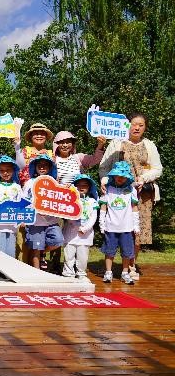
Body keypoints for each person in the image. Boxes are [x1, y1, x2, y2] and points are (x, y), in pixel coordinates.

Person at [99, 113, 162, 281]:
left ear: (145, 127)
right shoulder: (116, 143)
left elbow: (158, 169)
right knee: (116, 226)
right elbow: (104, 167)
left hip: (142, 193)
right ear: (127, 125)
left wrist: (144, 178)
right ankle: (112, 266)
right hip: (117, 192)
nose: (137, 128)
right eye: (134, 124)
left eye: (141, 125)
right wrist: (105, 181)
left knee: (137, 231)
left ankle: (131, 265)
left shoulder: (149, 145)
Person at [99, 161, 139, 285]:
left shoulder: (131, 190)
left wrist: (136, 225)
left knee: (127, 252)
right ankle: (108, 272)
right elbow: (103, 207)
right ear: (113, 175)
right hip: (110, 227)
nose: (120, 178)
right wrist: (102, 223)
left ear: (127, 177)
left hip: (127, 228)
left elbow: (134, 208)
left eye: (123, 176)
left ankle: (125, 273)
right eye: (118, 175)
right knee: (109, 252)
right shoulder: (107, 189)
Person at [23, 154, 64, 271]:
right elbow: (24, 200)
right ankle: (37, 270)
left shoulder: (54, 182)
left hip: (51, 221)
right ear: (35, 167)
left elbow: (60, 200)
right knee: (36, 246)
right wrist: (25, 217)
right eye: (39, 165)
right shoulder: (29, 182)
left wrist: (66, 189)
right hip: (35, 222)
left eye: (45, 165)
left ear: (50, 167)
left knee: (58, 240)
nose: (42, 167)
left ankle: (42, 253)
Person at [62, 174, 99, 280]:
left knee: (83, 256)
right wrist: (75, 224)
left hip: (85, 235)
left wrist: (85, 228)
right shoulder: (70, 199)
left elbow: (93, 217)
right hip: (71, 232)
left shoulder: (92, 201)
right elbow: (67, 214)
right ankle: (68, 273)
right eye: (79, 185)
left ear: (89, 187)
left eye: (85, 185)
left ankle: (81, 274)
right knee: (69, 255)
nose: (81, 187)